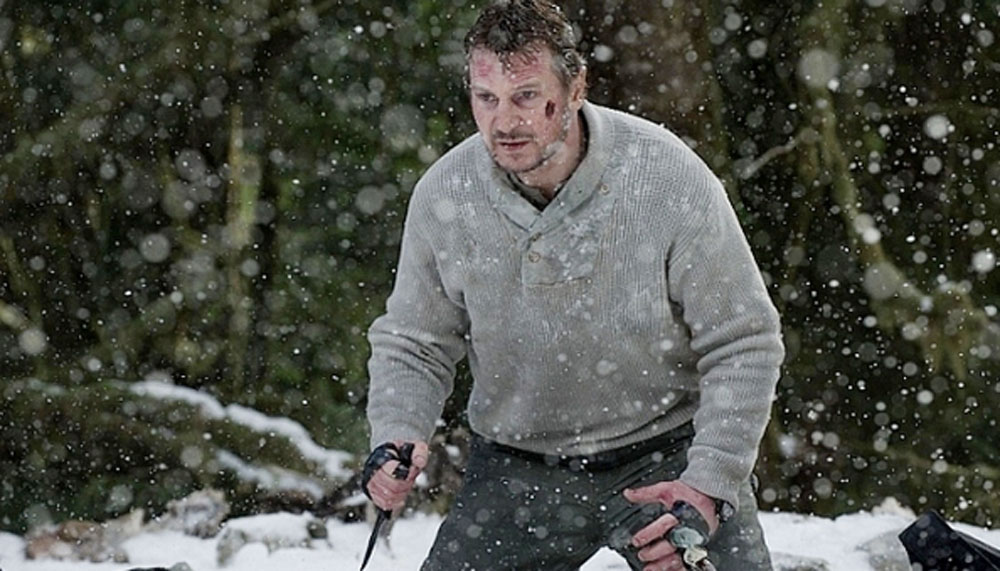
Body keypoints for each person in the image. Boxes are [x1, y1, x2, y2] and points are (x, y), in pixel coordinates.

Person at [362, 1, 785, 569]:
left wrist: (708, 485)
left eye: (526, 96)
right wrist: (398, 431)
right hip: (515, 470)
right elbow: (414, 341)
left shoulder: (667, 176)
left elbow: (744, 340)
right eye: (486, 98)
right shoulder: (446, 194)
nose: (504, 122)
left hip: (665, 457)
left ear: (576, 86)